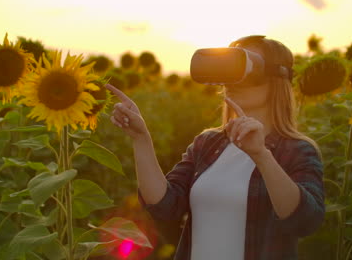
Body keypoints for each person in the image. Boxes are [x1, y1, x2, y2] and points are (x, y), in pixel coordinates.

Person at [106, 35, 325, 260]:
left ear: (276, 79)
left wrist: (261, 155)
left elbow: (305, 221)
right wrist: (141, 139)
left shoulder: (297, 150)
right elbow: (165, 205)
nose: (232, 81)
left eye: (245, 68)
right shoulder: (208, 143)